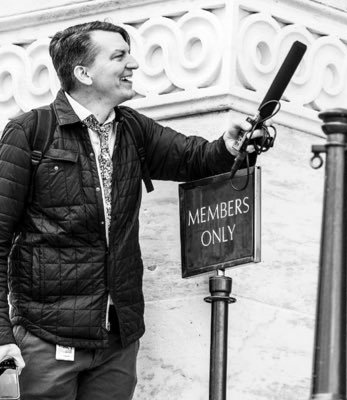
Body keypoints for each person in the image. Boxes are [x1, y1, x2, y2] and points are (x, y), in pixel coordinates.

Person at [0, 21, 260, 399]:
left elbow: (194, 157)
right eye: (119, 55)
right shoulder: (29, 132)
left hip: (116, 341)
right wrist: (2, 336)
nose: (133, 64)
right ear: (83, 72)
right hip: (45, 340)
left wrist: (231, 146)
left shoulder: (132, 129)